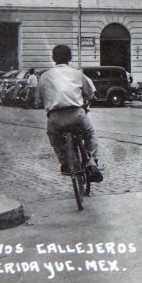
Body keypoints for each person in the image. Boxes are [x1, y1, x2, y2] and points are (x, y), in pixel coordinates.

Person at [37, 45, 103, 183]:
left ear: (53, 58)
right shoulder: (78, 74)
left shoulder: (44, 76)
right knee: (90, 135)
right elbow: (89, 94)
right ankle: (91, 163)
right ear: (70, 58)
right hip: (76, 114)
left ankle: (65, 163)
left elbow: (37, 98)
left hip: (55, 118)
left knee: (54, 138)